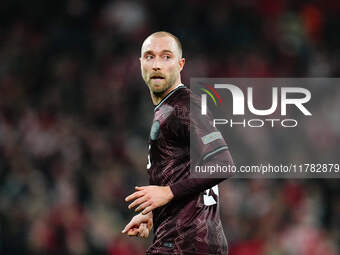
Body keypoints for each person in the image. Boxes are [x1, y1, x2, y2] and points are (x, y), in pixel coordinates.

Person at [122, 31, 234, 254]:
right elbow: (184, 172)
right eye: (149, 56)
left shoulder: (184, 106)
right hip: (190, 239)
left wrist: (168, 193)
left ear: (181, 64)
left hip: (184, 243)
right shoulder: (168, 109)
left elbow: (223, 163)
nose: (156, 65)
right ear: (140, 63)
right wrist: (157, 212)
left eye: (166, 57)